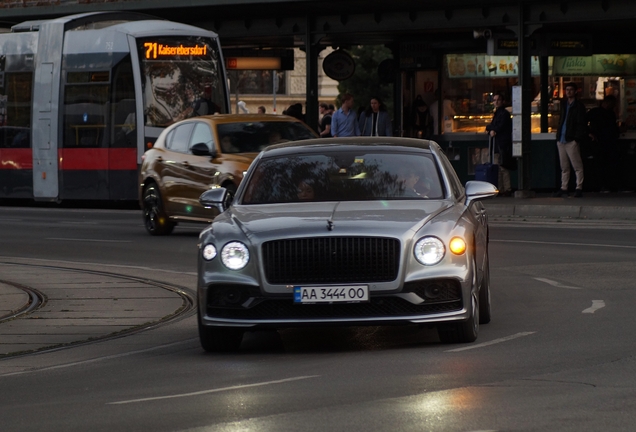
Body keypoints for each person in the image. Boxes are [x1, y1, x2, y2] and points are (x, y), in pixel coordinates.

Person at [554, 82, 587, 197]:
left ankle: (578, 187)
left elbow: (581, 123)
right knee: (564, 166)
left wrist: (576, 138)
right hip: (563, 138)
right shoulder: (564, 105)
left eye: (571, 90)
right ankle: (564, 187)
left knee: (576, 165)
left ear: (575, 91)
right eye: (567, 89)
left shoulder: (578, 106)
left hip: (570, 139)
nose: (568, 92)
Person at [586, 95, 620, 192]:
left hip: (603, 142)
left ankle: (604, 185)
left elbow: (583, 122)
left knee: (603, 164)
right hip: (604, 142)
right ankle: (606, 185)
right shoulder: (607, 113)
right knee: (605, 164)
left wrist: (589, 132)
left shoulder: (597, 112)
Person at [485, 92, 514, 196]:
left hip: (503, 143)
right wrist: (491, 129)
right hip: (498, 144)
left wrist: (491, 129)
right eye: (494, 100)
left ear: (502, 101)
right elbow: (492, 126)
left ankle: (507, 188)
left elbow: (498, 127)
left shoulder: (504, 114)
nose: (496, 102)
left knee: (503, 167)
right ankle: (501, 188)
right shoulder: (497, 113)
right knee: (499, 167)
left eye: (498, 100)